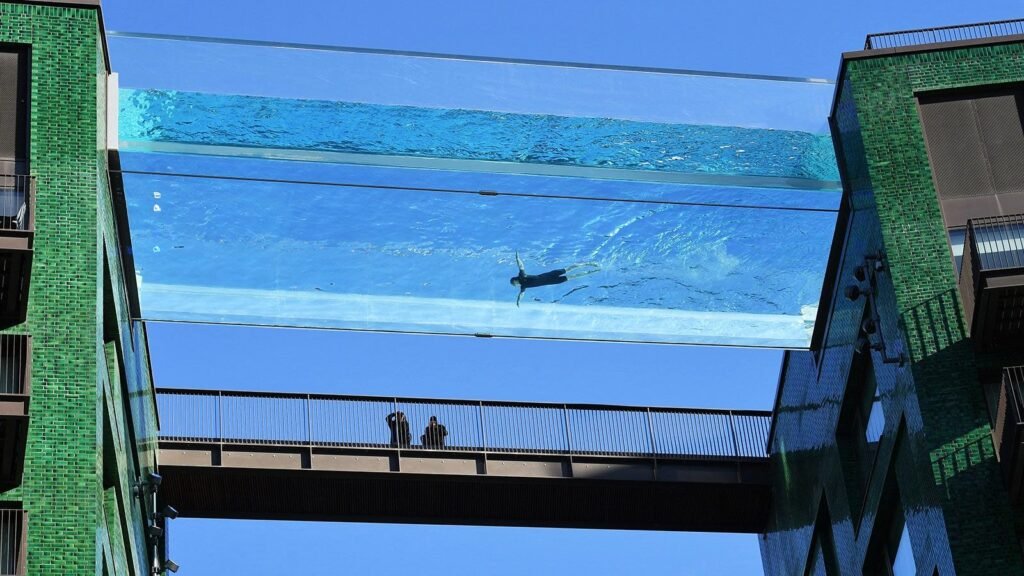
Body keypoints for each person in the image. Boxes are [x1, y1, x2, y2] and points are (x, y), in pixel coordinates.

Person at [509, 251, 600, 307]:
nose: (516, 286)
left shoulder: (522, 278)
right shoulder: (523, 286)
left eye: (515, 284)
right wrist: (518, 301)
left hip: (552, 277)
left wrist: (517, 258)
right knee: (572, 275)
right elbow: (521, 295)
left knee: (569, 270)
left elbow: (520, 265)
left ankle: (586, 264)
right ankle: (591, 271)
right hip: (553, 280)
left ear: (515, 281)